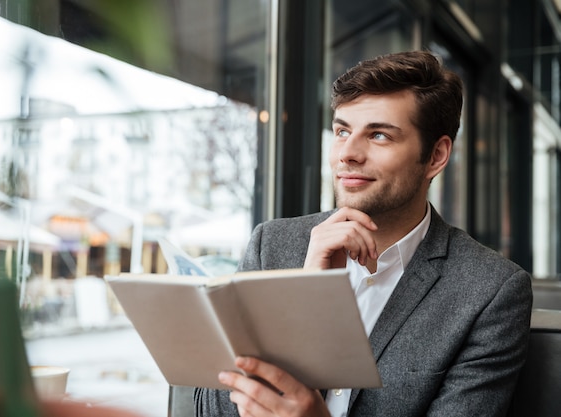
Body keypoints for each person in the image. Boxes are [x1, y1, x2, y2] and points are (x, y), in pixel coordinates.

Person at [194, 50, 533, 417]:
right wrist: (302, 297)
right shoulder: (272, 245)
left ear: (435, 156)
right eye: (342, 131)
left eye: (379, 136)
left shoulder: (491, 291)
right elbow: (210, 406)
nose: (348, 153)